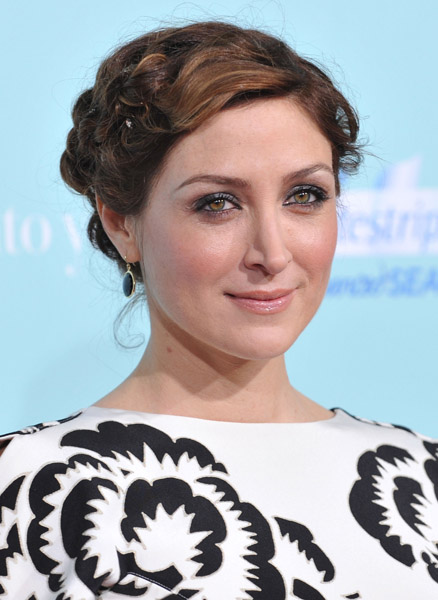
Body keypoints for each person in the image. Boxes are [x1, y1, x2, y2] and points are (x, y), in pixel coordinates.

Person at [0, 21, 437, 600]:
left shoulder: (421, 477)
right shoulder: (22, 486)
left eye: (304, 196)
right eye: (217, 204)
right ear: (120, 223)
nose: (272, 254)